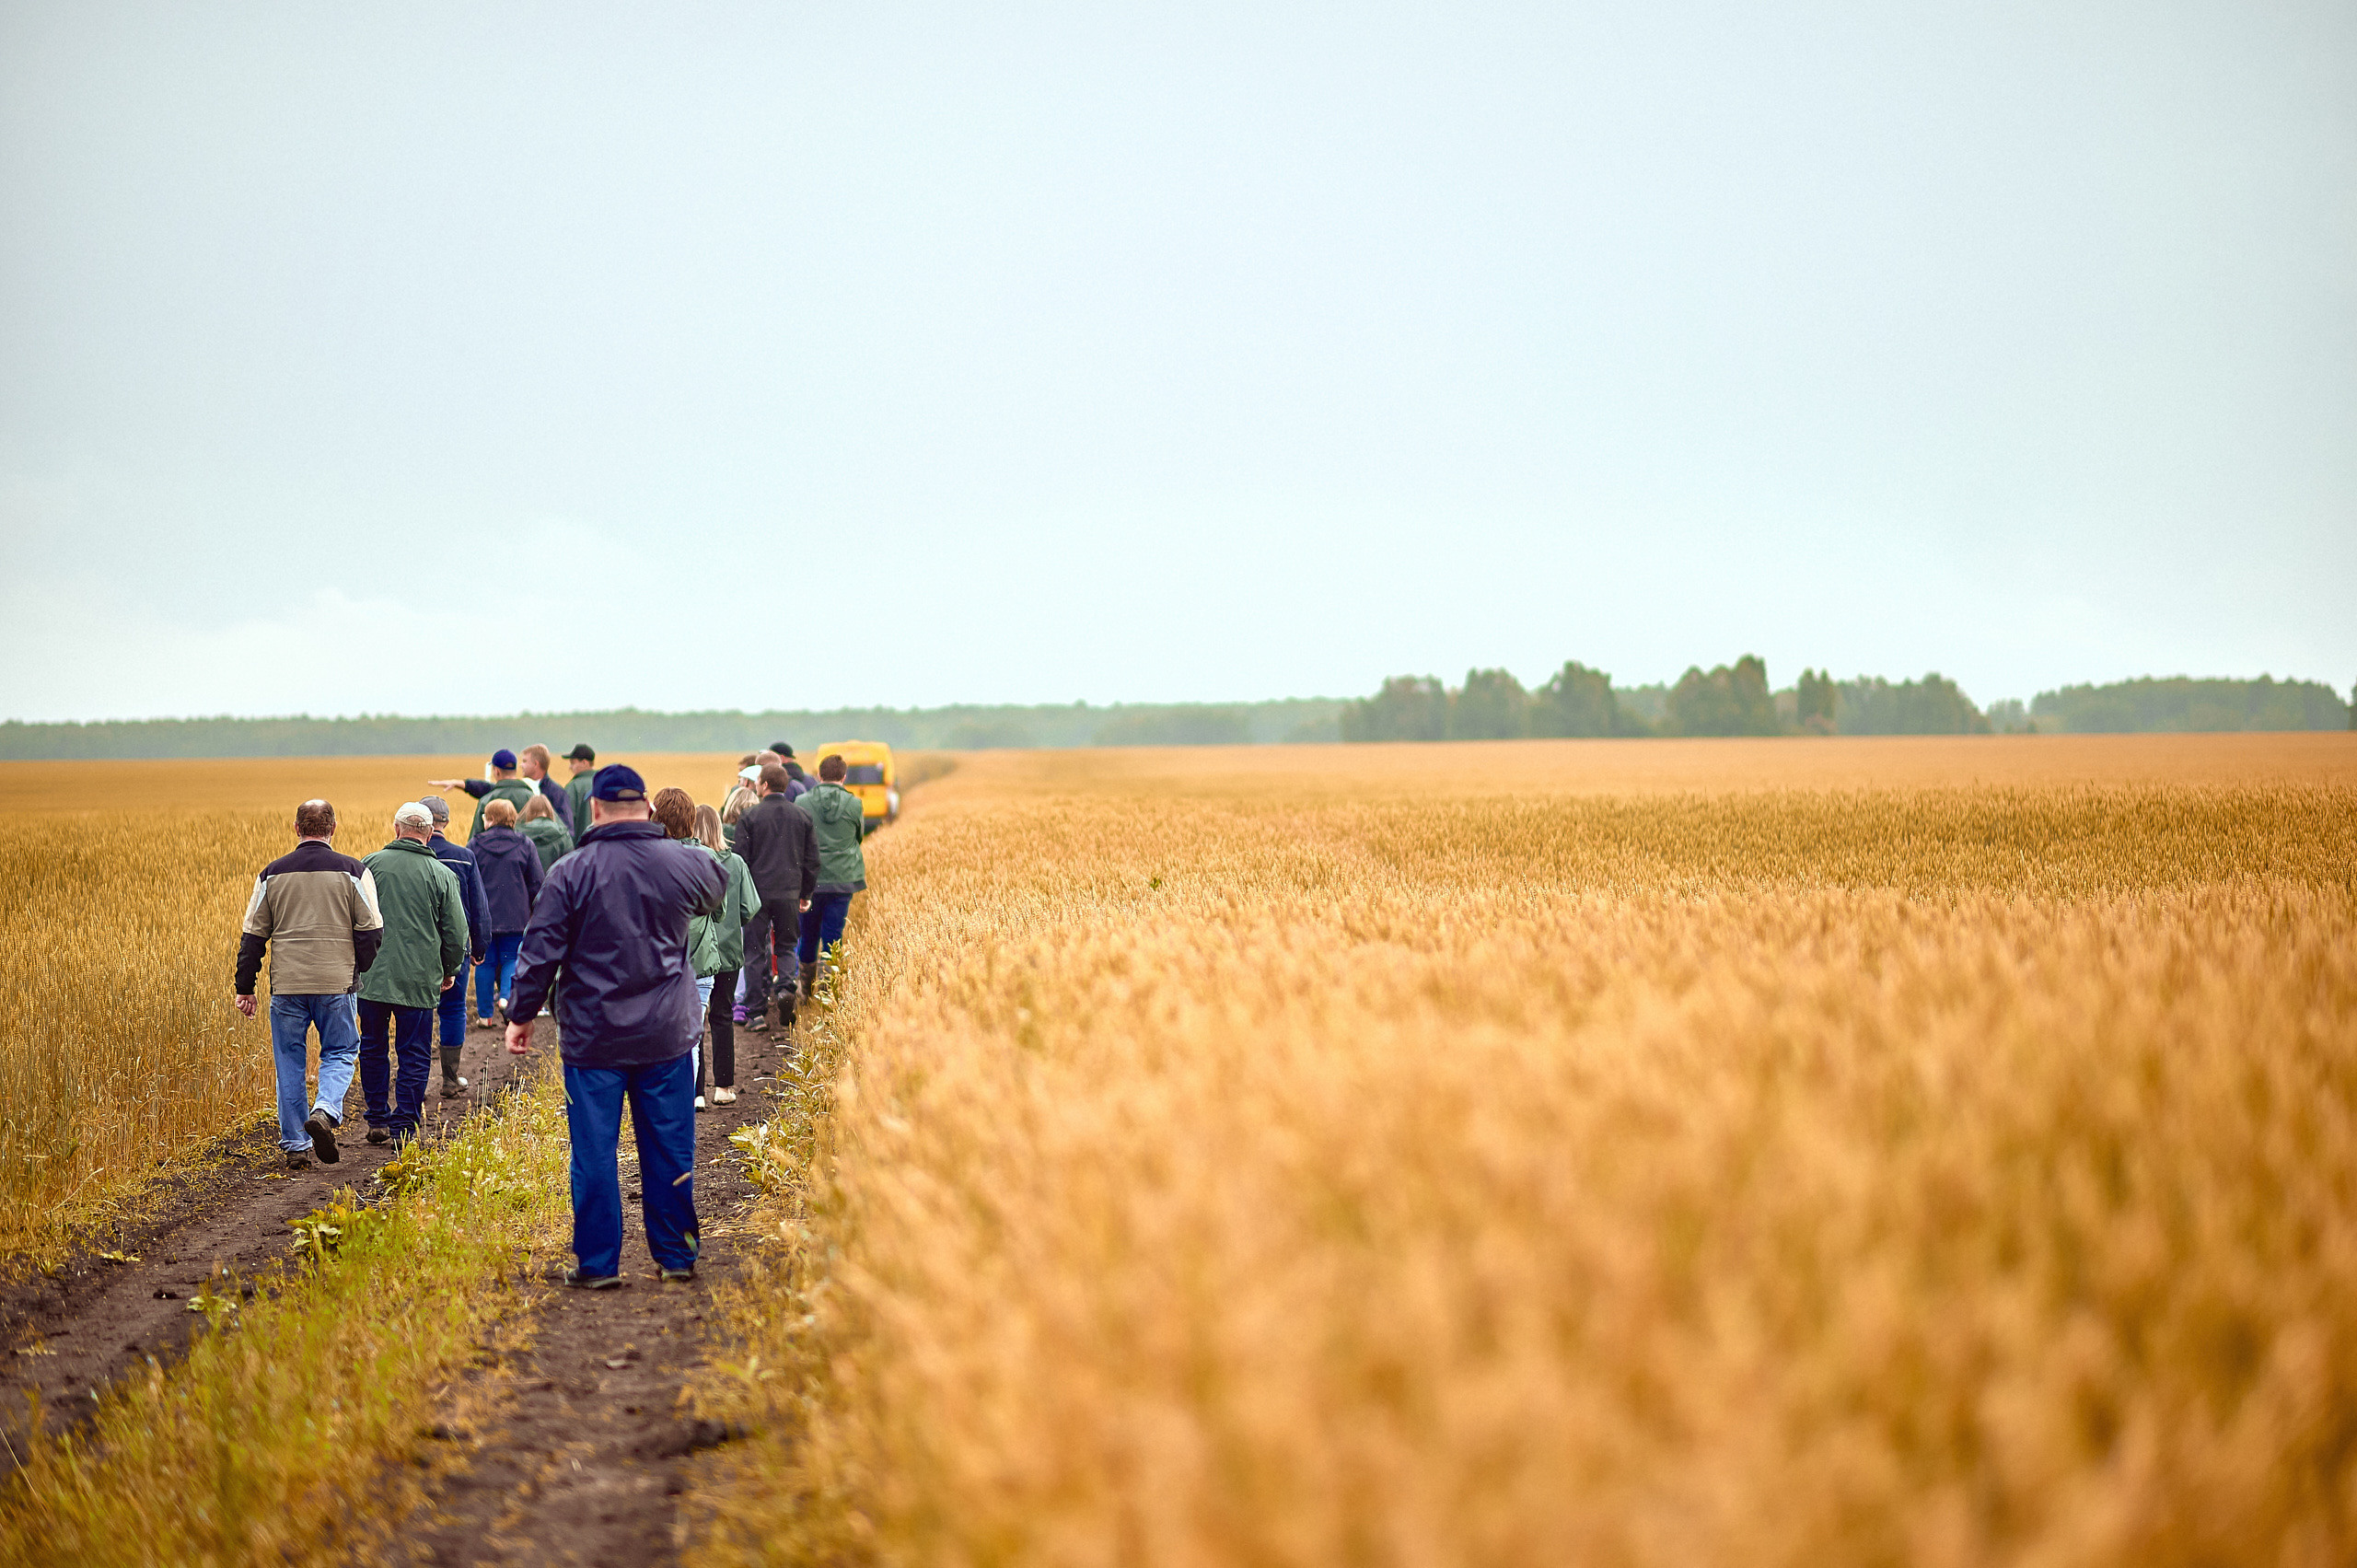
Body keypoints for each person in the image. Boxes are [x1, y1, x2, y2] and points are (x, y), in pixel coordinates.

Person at [505, 764, 726, 1289]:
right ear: (647, 809)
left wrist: (520, 1014)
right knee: (670, 1147)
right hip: (666, 1036)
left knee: (595, 1153)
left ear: (595, 810)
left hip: (593, 1038)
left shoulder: (571, 872)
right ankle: (676, 1257)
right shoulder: (683, 863)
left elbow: (540, 953)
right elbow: (717, 885)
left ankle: (598, 1265)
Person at [234, 799, 383, 1169]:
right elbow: (372, 930)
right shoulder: (354, 871)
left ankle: (296, 1146)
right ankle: (326, 1110)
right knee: (342, 1051)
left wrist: (245, 986)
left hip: (287, 986)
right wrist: (356, 967)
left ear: (296, 828)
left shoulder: (271, 874)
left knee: (289, 1063)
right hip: (336, 983)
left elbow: (253, 936)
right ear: (333, 828)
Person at [358, 803, 470, 1147]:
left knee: (373, 1047)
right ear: (429, 833)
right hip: (419, 981)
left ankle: (377, 1117)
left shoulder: (368, 866)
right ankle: (404, 1123)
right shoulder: (442, 875)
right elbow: (456, 932)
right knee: (414, 1052)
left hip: (371, 977)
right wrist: (449, 970)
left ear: (396, 829)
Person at [734, 762, 817, 1031]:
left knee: (755, 951)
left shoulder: (749, 818)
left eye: (758, 782)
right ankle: (784, 991)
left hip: (756, 895)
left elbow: (741, 862)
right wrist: (805, 894)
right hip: (790, 893)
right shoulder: (802, 817)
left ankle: (756, 1013)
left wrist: (742, 898)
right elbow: (812, 860)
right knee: (785, 945)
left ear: (765, 785)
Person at [418, 795, 490, 1096]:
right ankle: (450, 1079)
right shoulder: (463, 856)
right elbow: (479, 906)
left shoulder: (404, 858)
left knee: (418, 1011)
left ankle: (416, 1082)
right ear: (445, 822)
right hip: (455, 949)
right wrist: (480, 946)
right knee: (453, 1009)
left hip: (416, 950)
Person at [690, 803, 758, 1106]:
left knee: (695, 1020)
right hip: (729, 952)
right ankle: (724, 1087)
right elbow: (749, 908)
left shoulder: (686, 861)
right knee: (722, 1016)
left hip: (698, 953)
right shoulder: (738, 864)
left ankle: (696, 1092)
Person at [794, 753, 871, 1005]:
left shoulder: (802, 801)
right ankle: (828, 994)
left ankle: (804, 991)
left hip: (809, 881)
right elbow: (858, 837)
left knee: (807, 934)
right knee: (833, 936)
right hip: (842, 879)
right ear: (844, 777)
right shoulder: (855, 804)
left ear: (818, 775)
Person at [469, 796, 544, 1028]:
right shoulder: (525, 844)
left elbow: (468, 880)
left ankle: (485, 1016)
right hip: (516, 916)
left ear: (490, 819)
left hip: (484, 918)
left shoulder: (475, 844)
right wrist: (534, 911)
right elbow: (537, 882)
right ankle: (505, 999)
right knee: (512, 959)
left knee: (485, 962)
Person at [426, 749, 536, 841]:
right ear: (515, 769)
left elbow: (475, 839)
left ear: (496, 771)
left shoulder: (487, 800)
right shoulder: (532, 798)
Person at [519, 792, 574, 868]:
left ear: (529, 812)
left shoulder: (520, 835)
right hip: (555, 879)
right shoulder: (563, 834)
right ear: (550, 811)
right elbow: (569, 864)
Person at [563, 744, 598, 841]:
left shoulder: (573, 787)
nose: (570, 767)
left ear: (584, 763)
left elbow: (566, 821)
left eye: (573, 763)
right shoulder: (605, 781)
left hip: (582, 848)